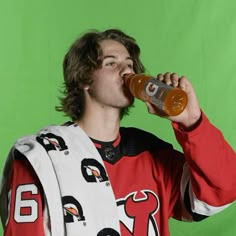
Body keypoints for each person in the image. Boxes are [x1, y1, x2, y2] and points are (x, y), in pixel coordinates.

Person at [0, 29, 236, 236]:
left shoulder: (150, 153)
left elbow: (223, 188)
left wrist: (191, 121)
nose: (126, 71)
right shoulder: (41, 156)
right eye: (111, 63)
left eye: (130, 65)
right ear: (84, 79)